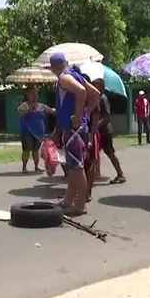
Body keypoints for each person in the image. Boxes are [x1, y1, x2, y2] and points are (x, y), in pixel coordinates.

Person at [48, 52, 100, 216]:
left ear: (53, 67)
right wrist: (86, 112)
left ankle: (80, 205)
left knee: (77, 168)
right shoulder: (75, 74)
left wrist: (78, 115)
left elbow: (81, 91)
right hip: (77, 128)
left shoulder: (64, 78)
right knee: (72, 166)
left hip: (73, 129)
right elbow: (95, 94)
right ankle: (68, 199)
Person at [91, 78, 126, 185]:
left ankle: (120, 174)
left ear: (101, 87)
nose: (93, 87)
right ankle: (94, 174)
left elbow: (106, 117)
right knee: (93, 154)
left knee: (110, 153)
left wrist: (96, 126)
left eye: (95, 85)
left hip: (105, 131)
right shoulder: (96, 98)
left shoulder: (103, 99)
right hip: (98, 131)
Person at [17, 85, 54, 173]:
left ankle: (36, 166)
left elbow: (51, 110)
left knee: (35, 150)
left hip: (39, 132)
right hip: (27, 131)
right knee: (26, 149)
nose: (34, 95)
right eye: (32, 93)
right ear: (27, 95)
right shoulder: (24, 105)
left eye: (35, 93)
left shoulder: (40, 106)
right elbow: (21, 114)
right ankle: (24, 167)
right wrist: (30, 108)